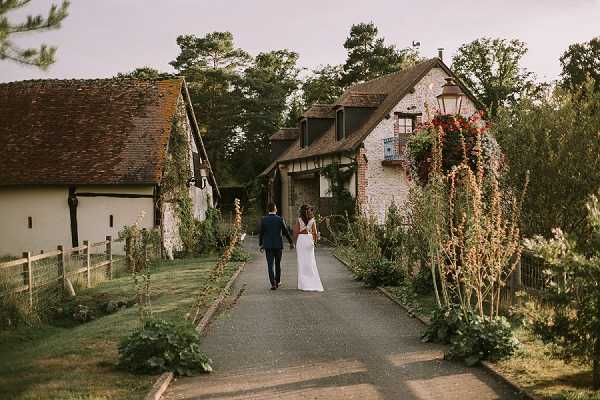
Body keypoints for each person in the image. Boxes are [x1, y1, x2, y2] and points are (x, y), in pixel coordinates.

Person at [259, 202, 294, 290]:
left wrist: (261, 244)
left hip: (268, 246)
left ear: (268, 210)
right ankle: (277, 281)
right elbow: (286, 232)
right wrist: (291, 242)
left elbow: (261, 233)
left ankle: (273, 283)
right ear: (275, 209)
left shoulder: (264, 219)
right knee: (278, 264)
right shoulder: (280, 219)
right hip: (278, 245)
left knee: (270, 265)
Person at [293, 205, 324, 292]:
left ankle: (303, 285)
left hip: (301, 240)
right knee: (310, 262)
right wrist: (315, 242)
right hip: (309, 239)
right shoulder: (313, 220)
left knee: (301, 262)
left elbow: (296, 232)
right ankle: (312, 283)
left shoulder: (299, 220)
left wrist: (294, 242)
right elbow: (315, 233)